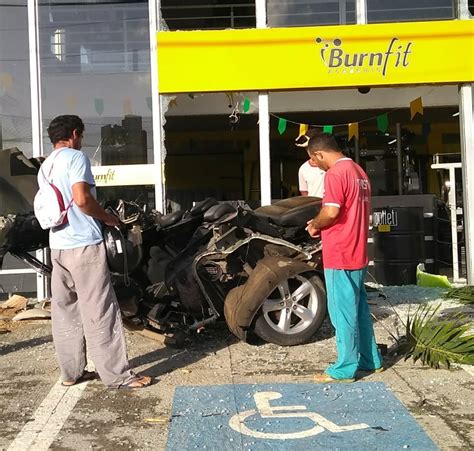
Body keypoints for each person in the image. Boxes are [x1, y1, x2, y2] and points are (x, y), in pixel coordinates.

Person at [40, 115, 151, 389]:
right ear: (75, 134)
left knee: (66, 311)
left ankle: (71, 373)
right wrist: (107, 218)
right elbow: (82, 199)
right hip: (83, 245)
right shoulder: (76, 159)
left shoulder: (45, 166)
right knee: (100, 310)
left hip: (58, 246)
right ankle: (119, 376)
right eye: (82, 134)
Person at [305, 133, 382, 383]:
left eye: (314, 161)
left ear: (319, 154)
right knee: (359, 310)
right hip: (358, 251)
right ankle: (370, 360)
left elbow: (331, 211)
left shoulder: (336, 174)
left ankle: (345, 367)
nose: (316, 166)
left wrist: (315, 225)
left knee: (342, 313)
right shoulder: (359, 171)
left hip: (340, 251)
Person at [297, 130, 325, 198]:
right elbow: (304, 192)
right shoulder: (303, 168)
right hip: (313, 206)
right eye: (308, 148)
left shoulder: (330, 165)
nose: (311, 151)